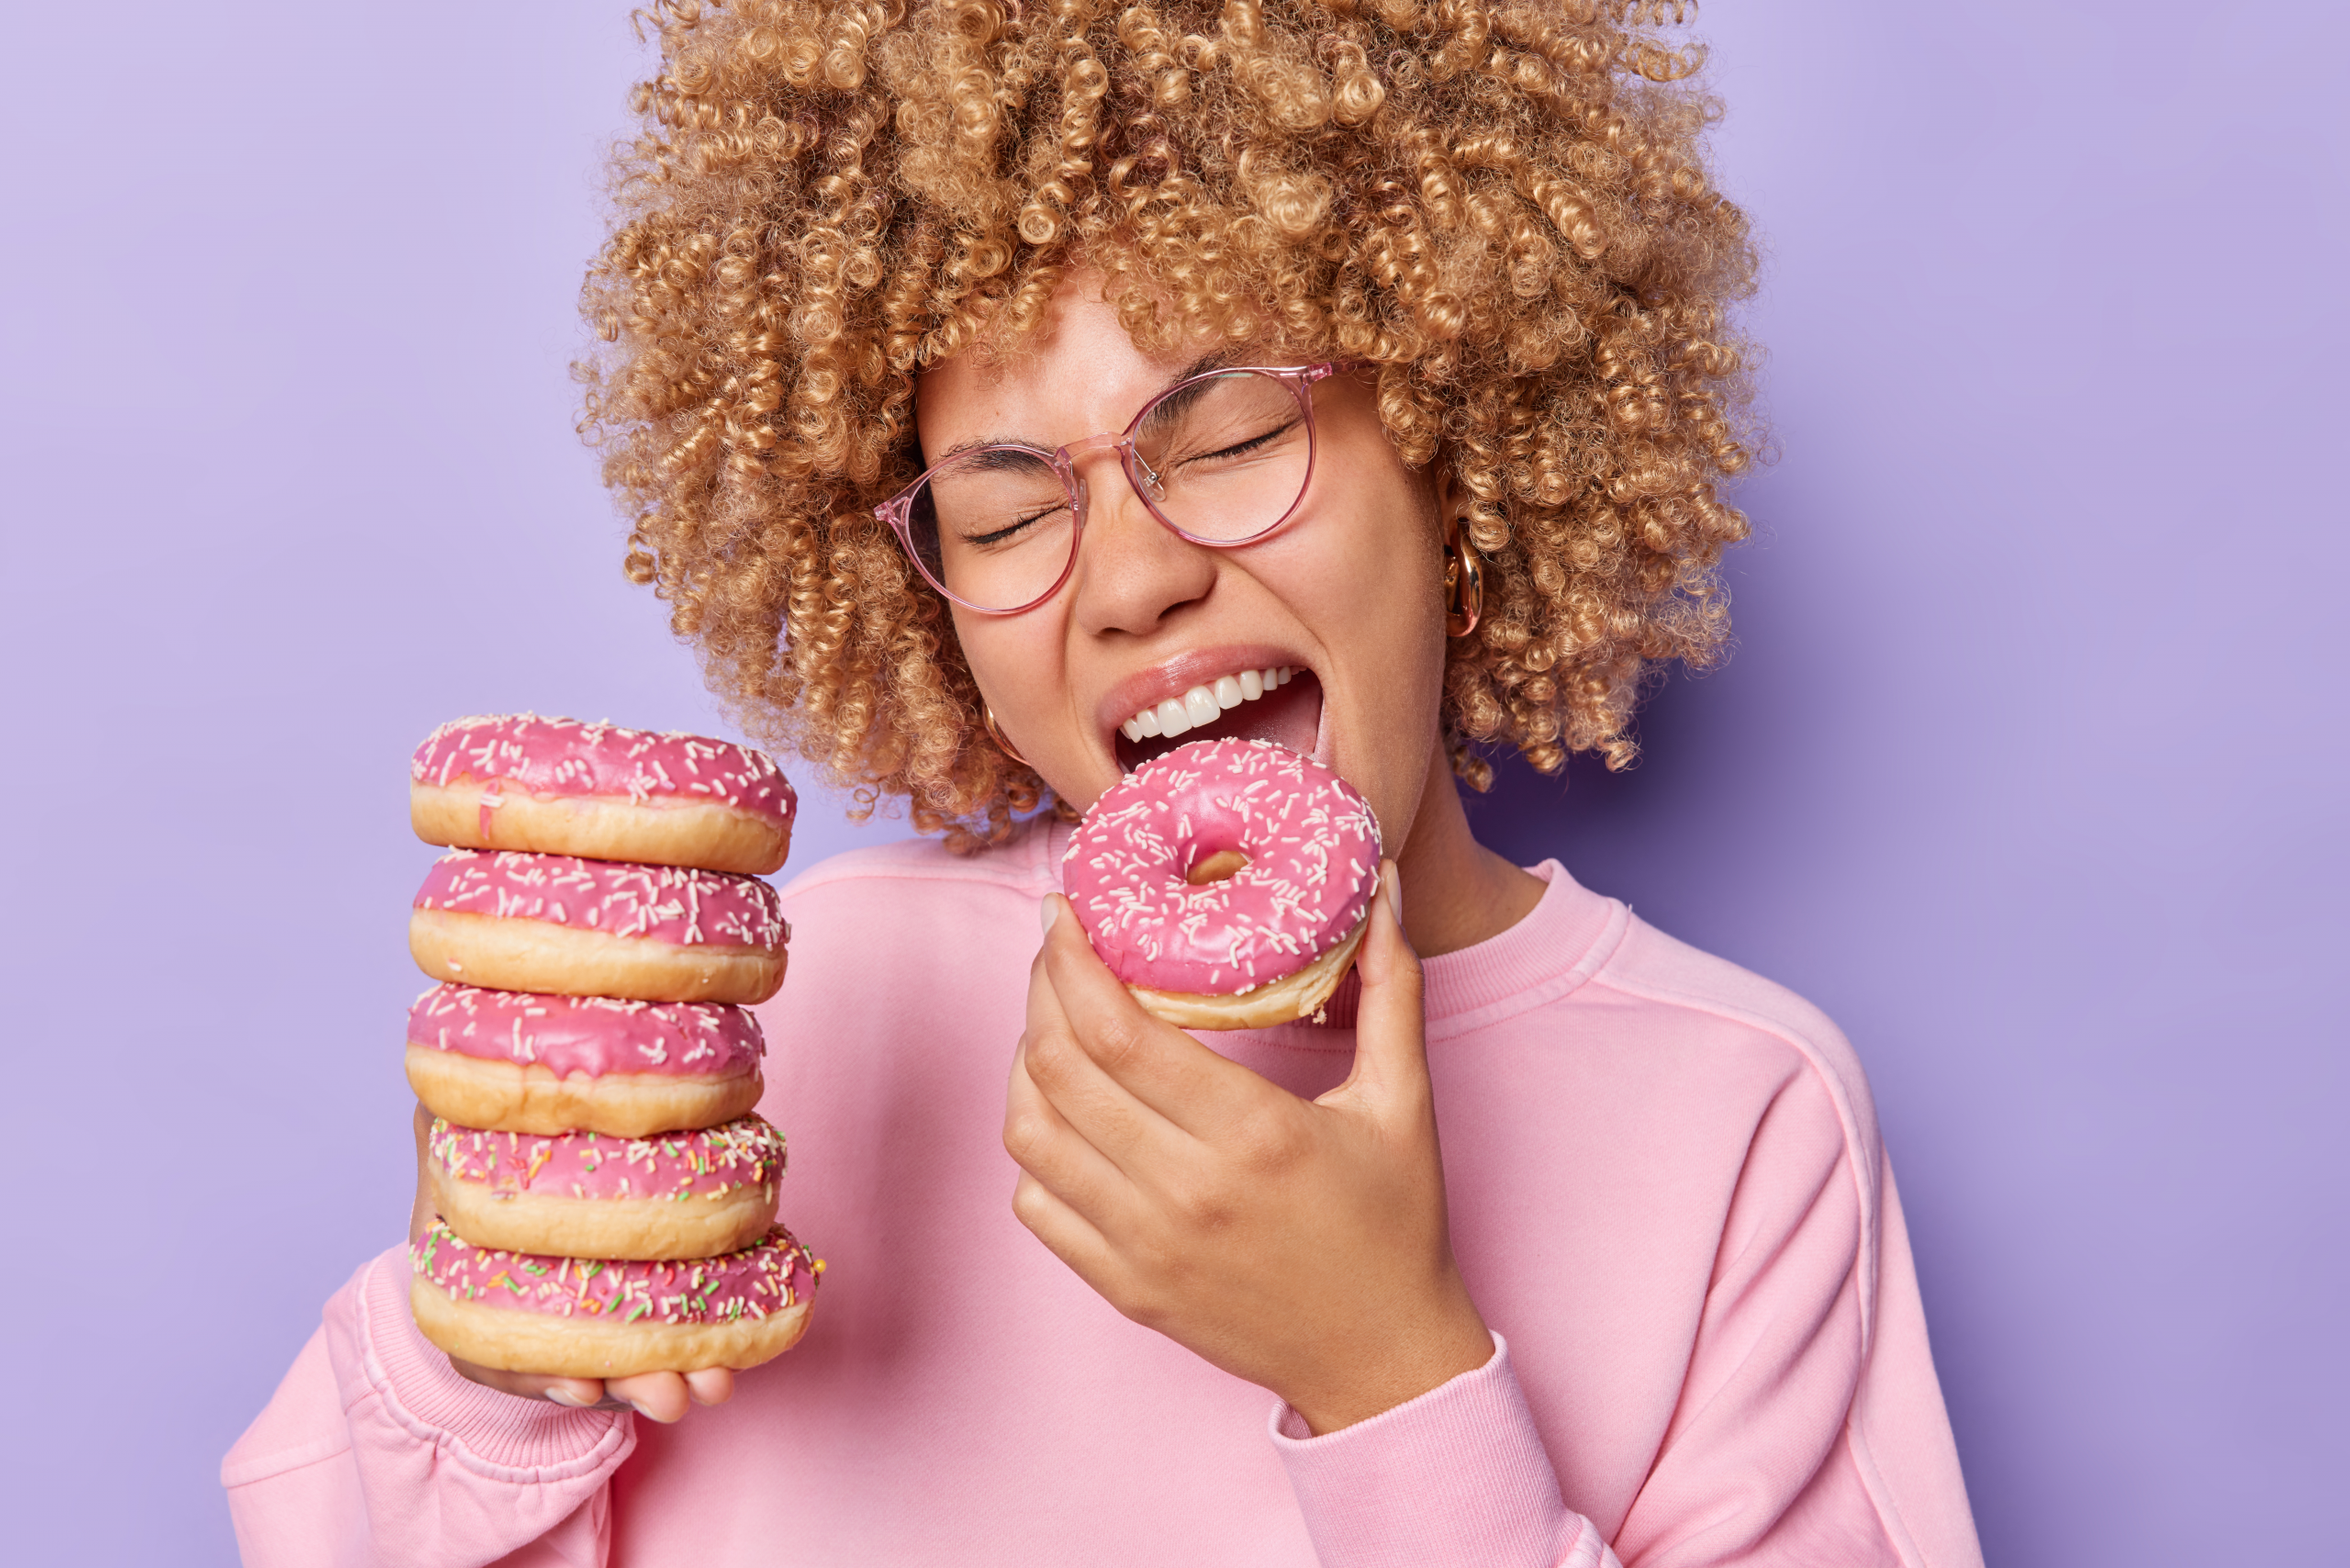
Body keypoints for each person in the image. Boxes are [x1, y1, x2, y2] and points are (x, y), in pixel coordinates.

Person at [223, 1, 1982, 1562]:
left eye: (1223, 439)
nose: (1130, 578)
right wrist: (505, 1363)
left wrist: (1390, 1373)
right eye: (1002, 513)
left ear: (1459, 445)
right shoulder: (804, 1011)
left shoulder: (1744, 1122)